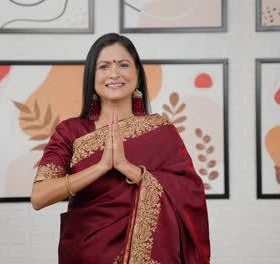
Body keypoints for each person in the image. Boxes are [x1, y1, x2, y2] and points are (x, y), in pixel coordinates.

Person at [31, 33, 210, 264]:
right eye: (104, 66)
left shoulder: (161, 130)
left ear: (137, 73)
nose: (114, 74)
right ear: (92, 76)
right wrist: (101, 167)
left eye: (123, 65)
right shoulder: (70, 131)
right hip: (86, 253)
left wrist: (129, 169)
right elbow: (39, 197)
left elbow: (190, 192)